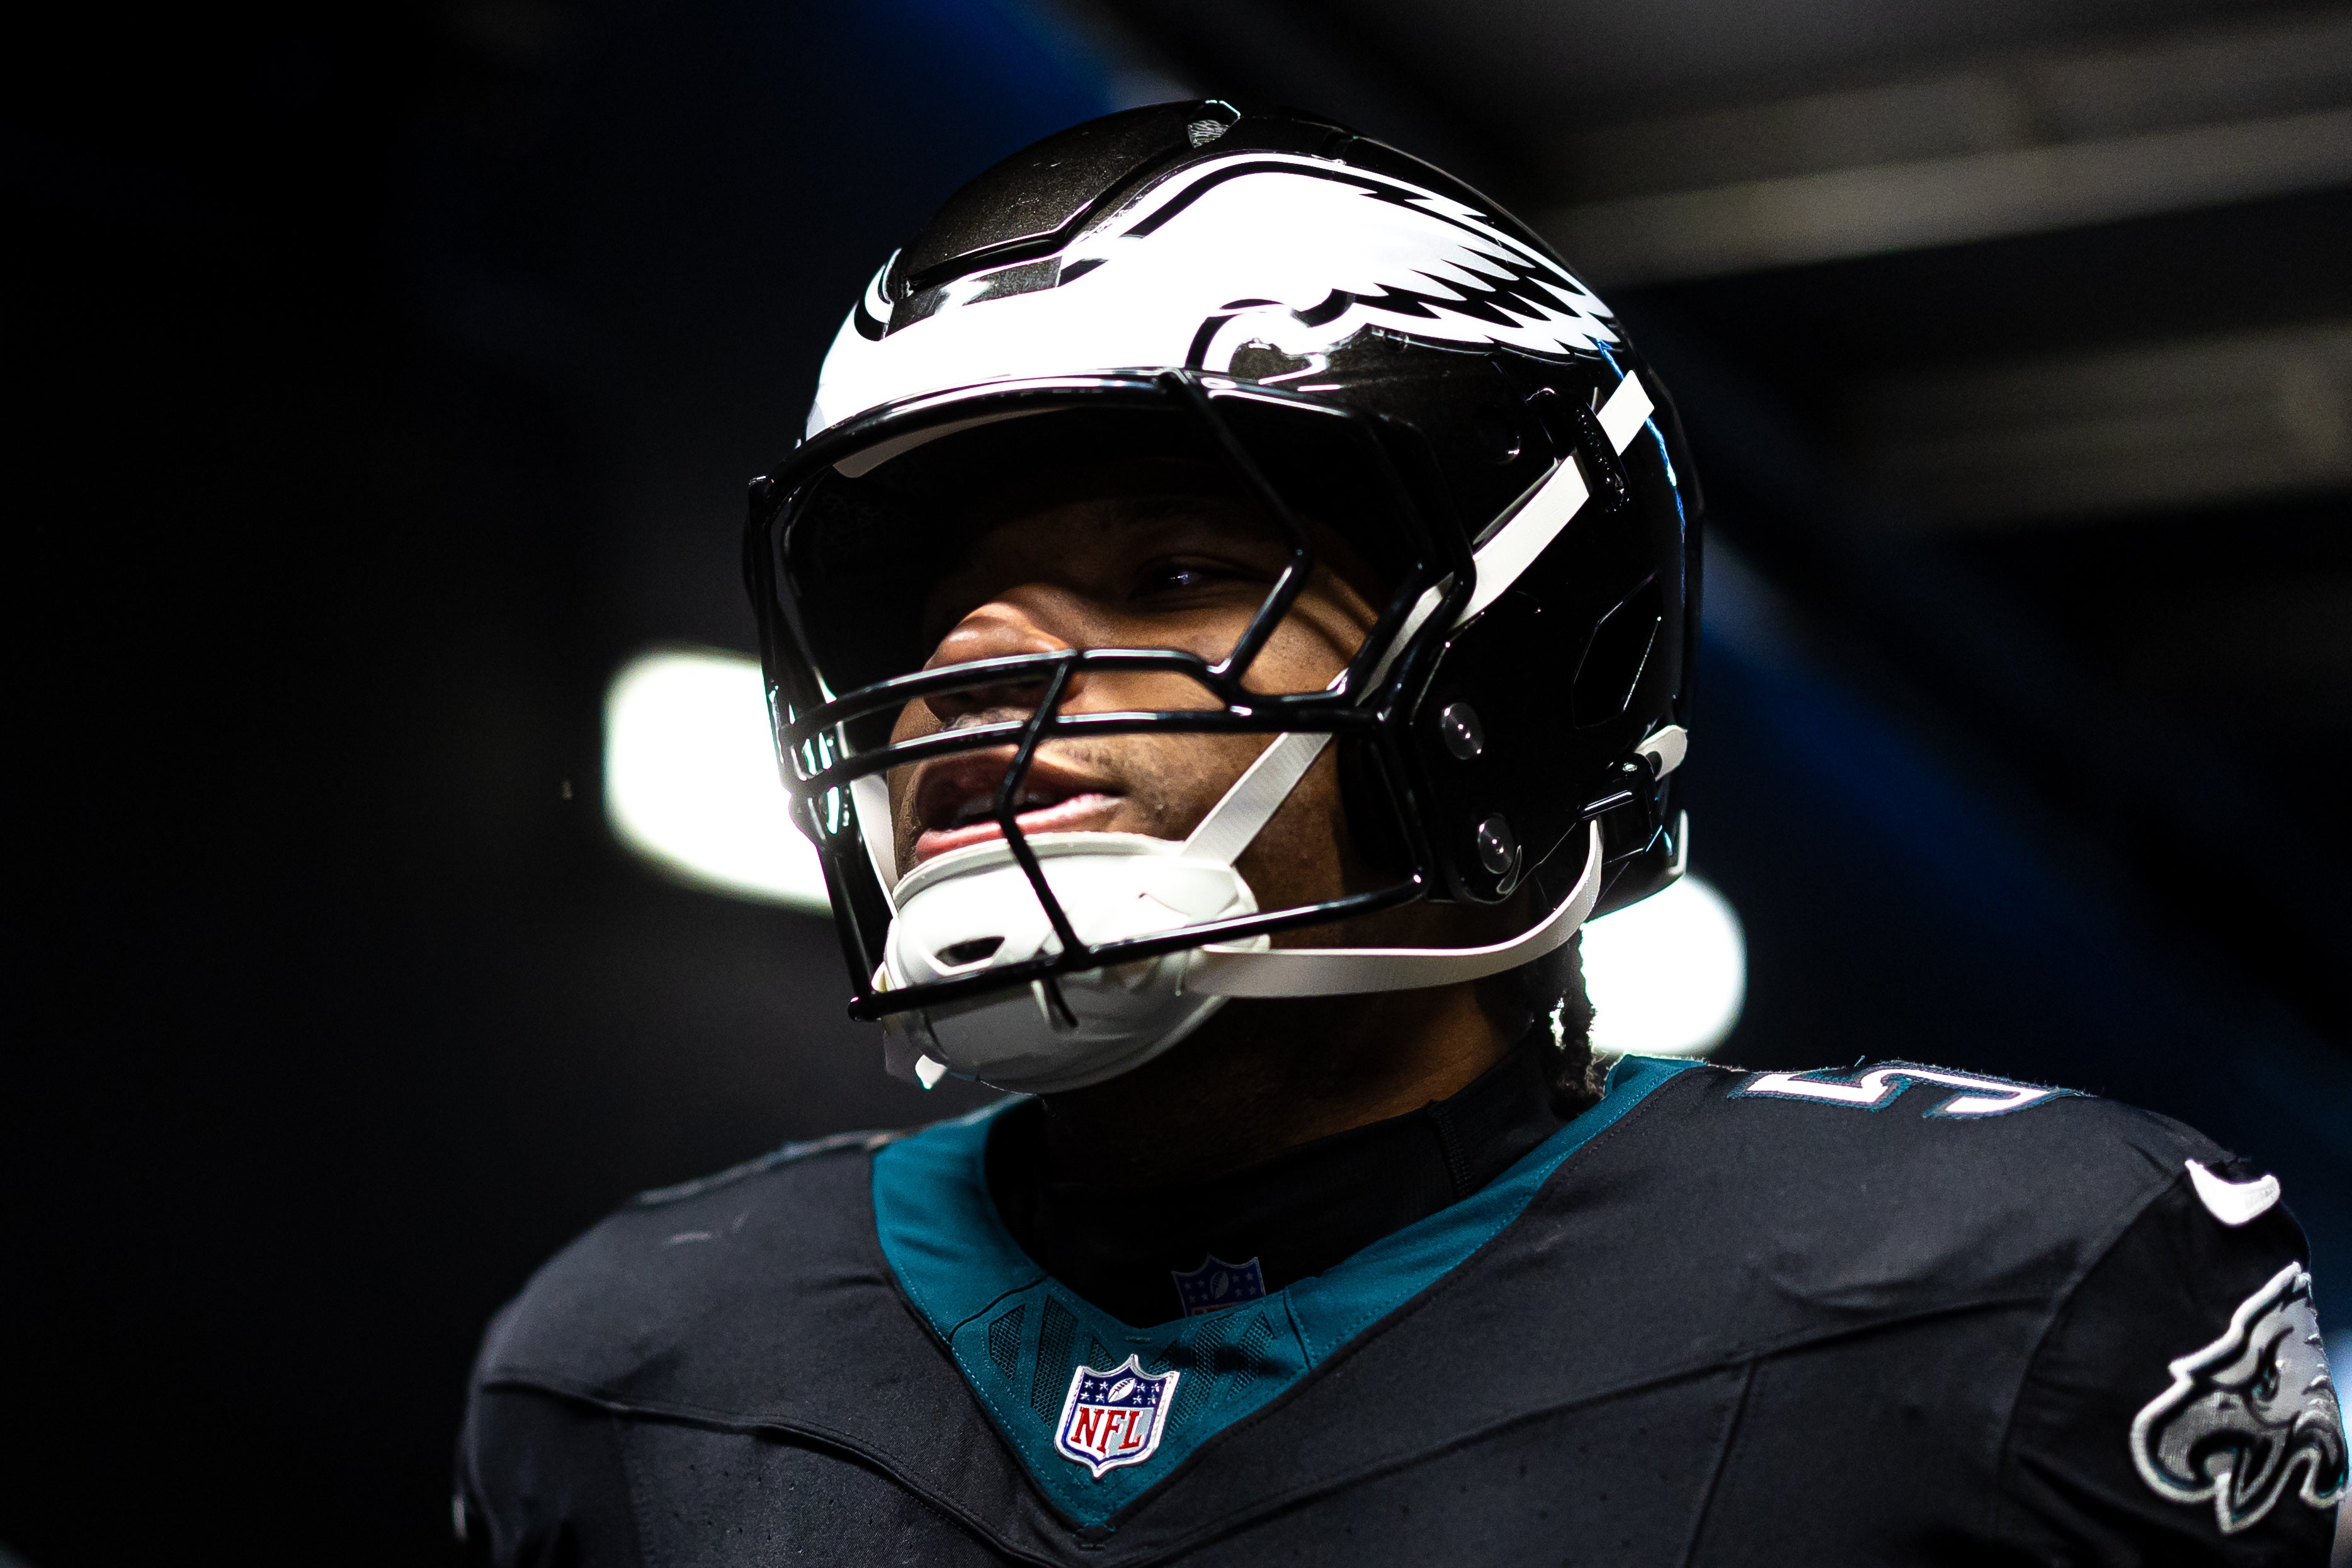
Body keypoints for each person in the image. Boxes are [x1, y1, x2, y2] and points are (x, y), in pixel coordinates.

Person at [455, 101, 2345, 1565]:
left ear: (1507, 676)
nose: (972, 666)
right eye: (938, 612)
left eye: (1178, 570)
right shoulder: (637, 1362)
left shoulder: (1998, 1296)